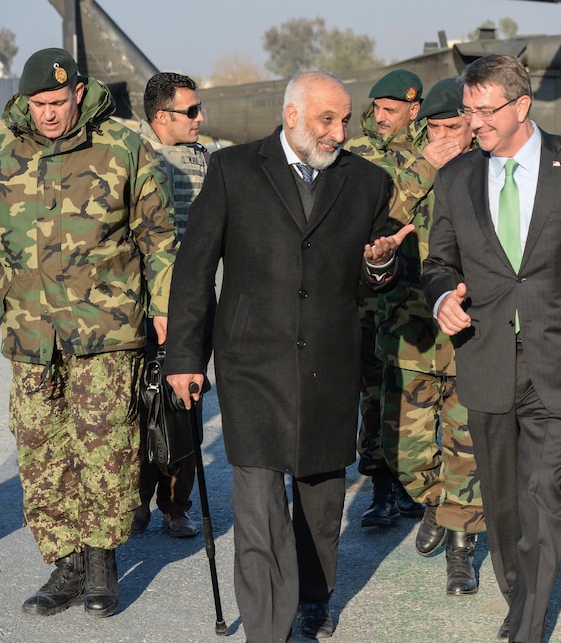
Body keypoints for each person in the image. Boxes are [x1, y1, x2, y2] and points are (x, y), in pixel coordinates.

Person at [164, 71, 412, 642]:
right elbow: (195, 269)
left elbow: (380, 274)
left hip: (330, 365)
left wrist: (378, 263)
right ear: (293, 116)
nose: (339, 132)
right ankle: (267, 630)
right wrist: (184, 357)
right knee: (257, 507)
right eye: (328, 119)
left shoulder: (368, 182)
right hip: (251, 364)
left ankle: (313, 596)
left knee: (321, 503)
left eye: (346, 120)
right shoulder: (232, 172)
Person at [422, 54, 561, 643]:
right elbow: (438, 262)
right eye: (468, 111)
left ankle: (527, 624)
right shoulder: (454, 179)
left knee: (539, 489)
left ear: (521, 106)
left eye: (484, 110)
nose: (473, 123)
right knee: (501, 501)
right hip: (485, 354)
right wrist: (443, 294)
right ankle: (517, 593)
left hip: (560, 355)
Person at [1, 48, 175, 617]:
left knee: (105, 444)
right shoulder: (5, 150)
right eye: (39, 104)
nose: (49, 114)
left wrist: (167, 308)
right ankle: (65, 561)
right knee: (40, 448)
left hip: (105, 326)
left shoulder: (122, 147)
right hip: (30, 331)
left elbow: (159, 236)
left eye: (58, 101)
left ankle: (102, 561)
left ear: (78, 91)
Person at [373, 77, 487, 595]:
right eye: (435, 128)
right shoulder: (403, 163)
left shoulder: (490, 166)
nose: (446, 137)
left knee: (467, 447)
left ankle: (461, 548)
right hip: (411, 333)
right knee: (407, 453)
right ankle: (437, 504)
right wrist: (428, 165)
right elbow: (378, 220)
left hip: (471, 335)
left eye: (455, 127)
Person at [344, 68, 427, 527]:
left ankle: (410, 483)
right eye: (376, 109)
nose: (381, 119)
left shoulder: (433, 145)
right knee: (373, 392)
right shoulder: (357, 152)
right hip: (367, 295)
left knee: (413, 391)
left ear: (414, 111)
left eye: (391, 111)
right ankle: (380, 486)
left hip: (415, 293)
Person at [133, 71, 209, 539]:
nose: (201, 119)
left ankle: (175, 503)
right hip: (141, 303)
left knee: (185, 402)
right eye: (192, 111)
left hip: (193, 299)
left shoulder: (206, 158)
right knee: (138, 404)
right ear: (162, 117)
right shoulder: (132, 156)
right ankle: (136, 498)